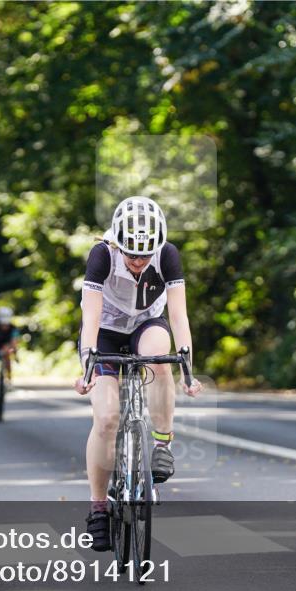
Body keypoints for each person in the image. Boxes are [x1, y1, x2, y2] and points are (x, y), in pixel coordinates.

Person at [74, 195, 202, 551]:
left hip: (147, 324)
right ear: (118, 242)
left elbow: (178, 316)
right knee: (107, 419)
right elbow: (90, 317)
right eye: (131, 254)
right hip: (106, 331)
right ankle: (98, 508)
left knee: (160, 357)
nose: (138, 261)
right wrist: (88, 366)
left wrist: (187, 368)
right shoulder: (102, 254)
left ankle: (162, 444)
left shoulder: (168, 255)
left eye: (145, 255)